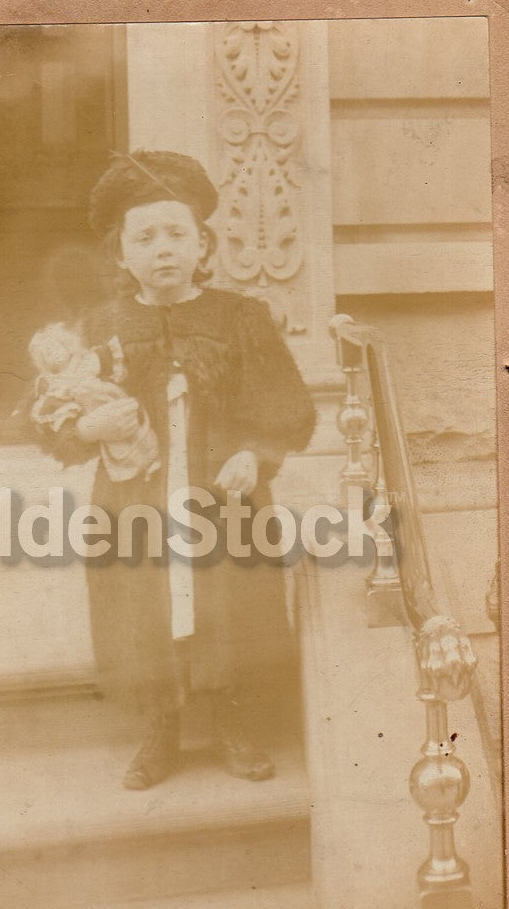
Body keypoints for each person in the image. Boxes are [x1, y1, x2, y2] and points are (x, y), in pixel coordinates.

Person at [37, 149, 316, 790]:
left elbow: (286, 406)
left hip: (222, 498)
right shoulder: (100, 327)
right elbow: (48, 413)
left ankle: (232, 723)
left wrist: (255, 454)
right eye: (144, 237)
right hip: (133, 500)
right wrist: (86, 428)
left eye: (176, 234)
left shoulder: (239, 318)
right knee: (144, 605)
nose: (162, 249)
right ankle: (160, 729)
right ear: (120, 253)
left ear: (201, 245)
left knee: (229, 600)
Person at [28, 321, 160, 483]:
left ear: (67, 346)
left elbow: (108, 358)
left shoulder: (86, 360)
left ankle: (151, 457)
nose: (54, 354)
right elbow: (54, 403)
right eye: (48, 354)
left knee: (132, 423)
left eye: (56, 348)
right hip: (91, 409)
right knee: (115, 442)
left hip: (108, 397)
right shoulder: (56, 381)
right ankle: (135, 465)